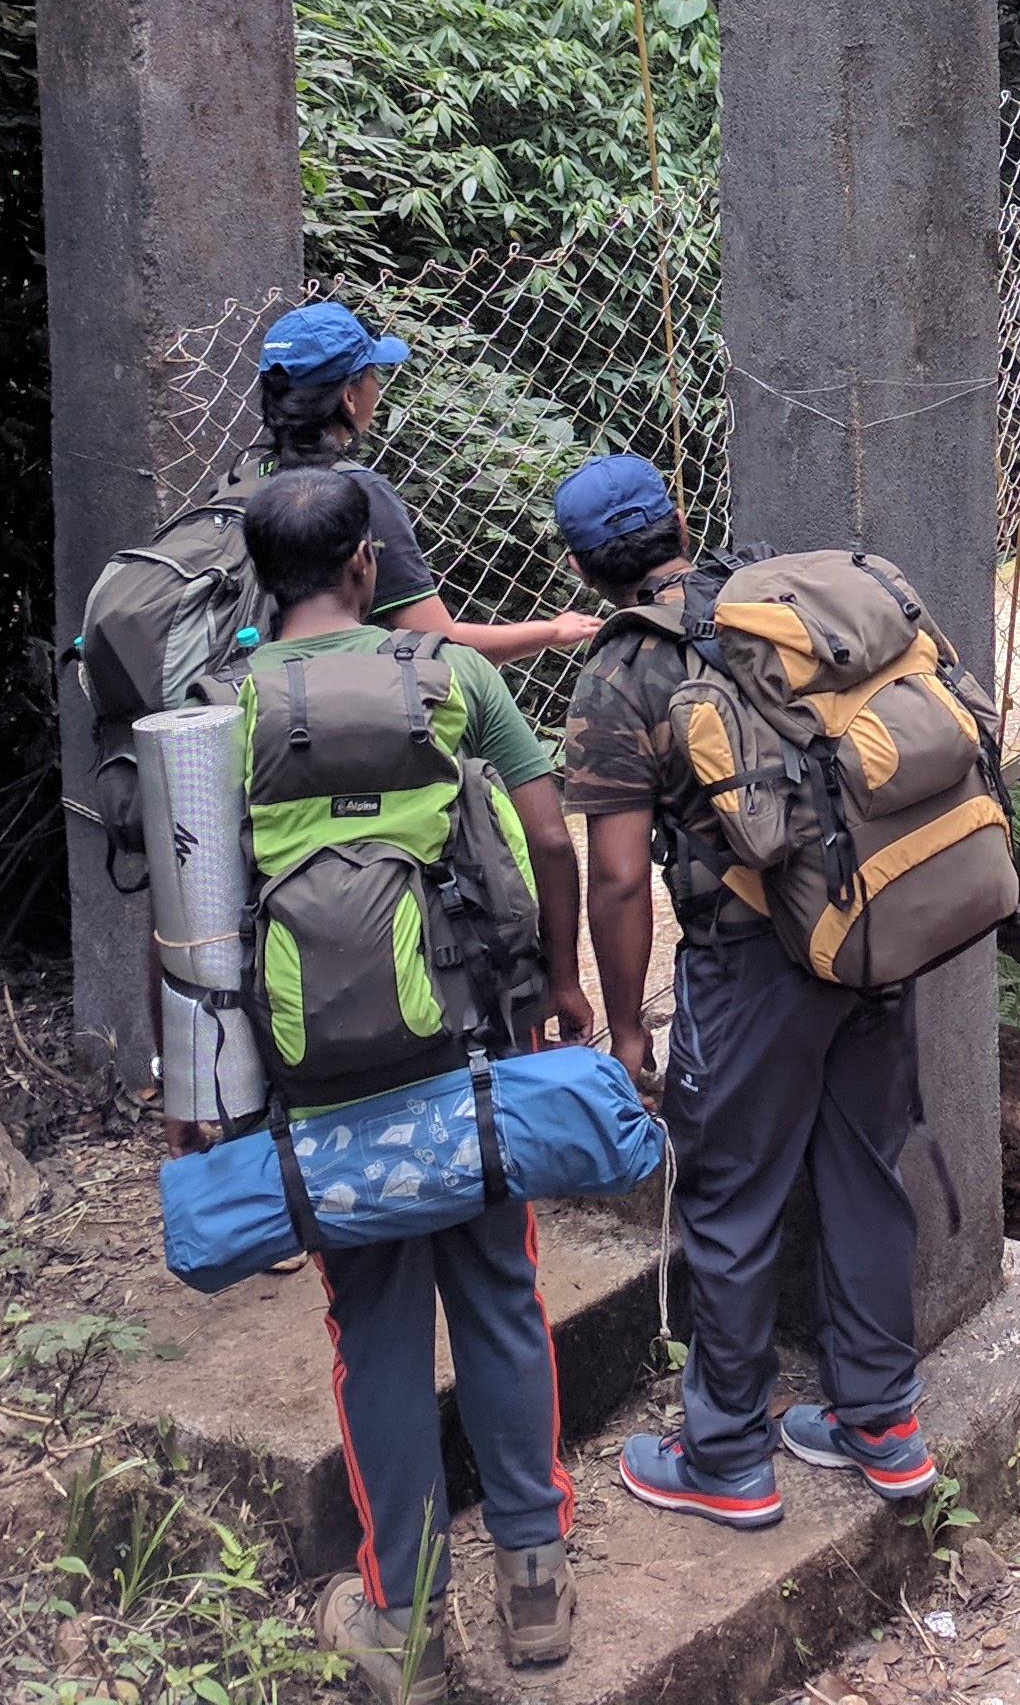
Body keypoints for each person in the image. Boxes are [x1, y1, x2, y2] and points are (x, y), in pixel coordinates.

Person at [236, 463, 589, 1693]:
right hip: (468, 1043)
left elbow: (191, 931)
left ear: (257, 582)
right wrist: (564, 981)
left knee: (373, 1331)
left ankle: (409, 1623)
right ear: (366, 567)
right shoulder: (453, 676)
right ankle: (535, 1587)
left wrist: (212, 1113)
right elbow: (550, 835)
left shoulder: (223, 709)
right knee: (497, 1290)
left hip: (317, 1073)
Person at [552, 453, 939, 1529]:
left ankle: (725, 1454)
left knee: (728, 1199)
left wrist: (628, 1027)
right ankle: (881, 1423)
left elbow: (622, 876)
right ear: (682, 521)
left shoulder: (623, 674)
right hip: (866, 931)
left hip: (750, 964)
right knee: (866, 1172)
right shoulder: (777, 602)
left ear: (584, 567)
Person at [254, 301, 605, 670]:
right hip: (337, 705)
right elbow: (439, 643)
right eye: (373, 373)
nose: (379, 385)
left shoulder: (244, 482)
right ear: (349, 396)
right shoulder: (355, 493)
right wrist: (550, 631)